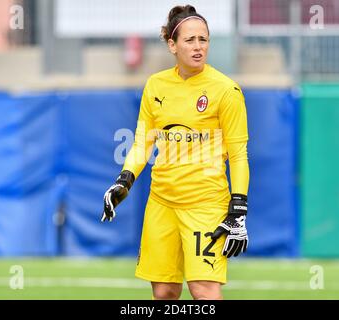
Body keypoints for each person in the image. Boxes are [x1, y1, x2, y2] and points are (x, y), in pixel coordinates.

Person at [101, 5, 250, 300]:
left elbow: (238, 154)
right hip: (162, 204)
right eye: (190, 40)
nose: (198, 47)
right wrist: (124, 180)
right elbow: (143, 141)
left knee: (204, 291)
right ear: (172, 44)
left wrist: (239, 209)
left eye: (203, 40)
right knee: (165, 292)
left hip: (205, 205)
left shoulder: (226, 90)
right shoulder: (156, 85)